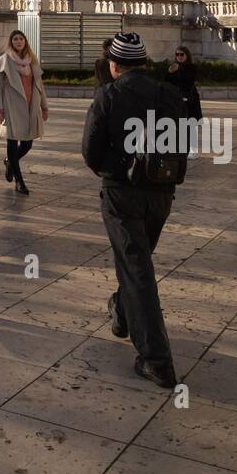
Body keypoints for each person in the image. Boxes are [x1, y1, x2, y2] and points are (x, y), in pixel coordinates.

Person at [81, 31, 185, 390]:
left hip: (122, 193)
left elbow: (90, 152)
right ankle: (122, 311)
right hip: (161, 193)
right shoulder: (169, 95)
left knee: (137, 268)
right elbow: (181, 143)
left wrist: (115, 169)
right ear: (143, 62)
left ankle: (157, 362)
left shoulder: (107, 96)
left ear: (114, 66)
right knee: (136, 262)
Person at [0, 30, 48, 196]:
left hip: (31, 105)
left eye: (21, 39)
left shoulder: (32, 61)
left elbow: (40, 85)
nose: (18, 41)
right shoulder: (3, 60)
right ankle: (19, 182)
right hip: (11, 106)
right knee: (11, 142)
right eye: (15, 39)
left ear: (25, 42)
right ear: (11, 42)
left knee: (27, 143)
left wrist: (44, 106)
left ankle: (10, 161)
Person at [167, 45, 203, 121]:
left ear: (187, 55)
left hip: (189, 98)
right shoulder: (173, 67)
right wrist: (169, 73)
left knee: (189, 124)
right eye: (177, 54)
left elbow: (189, 80)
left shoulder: (192, 67)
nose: (179, 56)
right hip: (176, 98)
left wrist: (179, 69)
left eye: (181, 54)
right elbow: (168, 82)